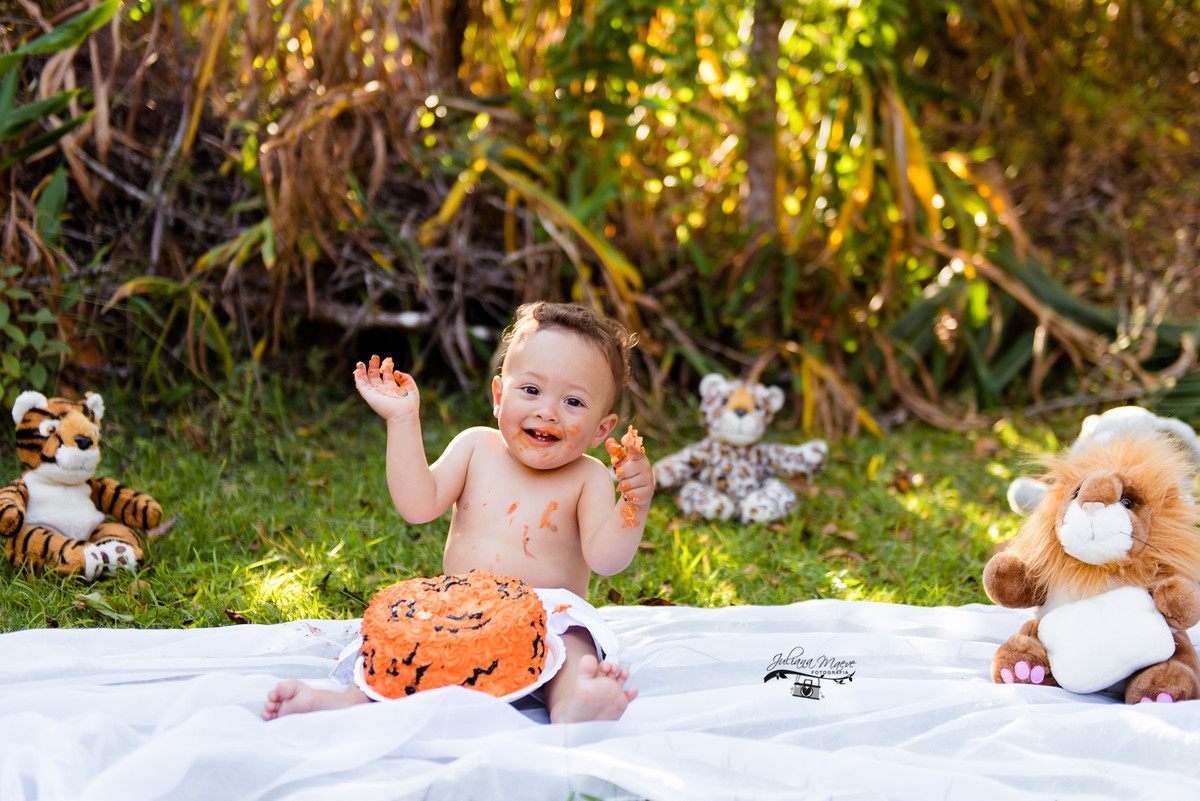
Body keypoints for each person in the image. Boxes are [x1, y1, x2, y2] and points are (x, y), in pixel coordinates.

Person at [263, 301, 654, 723]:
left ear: (601, 429)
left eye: (573, 401)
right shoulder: (475, 447)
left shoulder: (588, 478)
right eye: (531, 390)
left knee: (575, 640)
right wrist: (402, 421)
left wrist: (634, 502)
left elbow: (606, 560)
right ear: (499, 396)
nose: (547, 410)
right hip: (461, 607)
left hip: (545, 614)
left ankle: (574, 700)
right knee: (402, 641)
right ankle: (352, 699)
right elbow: (417, 505)